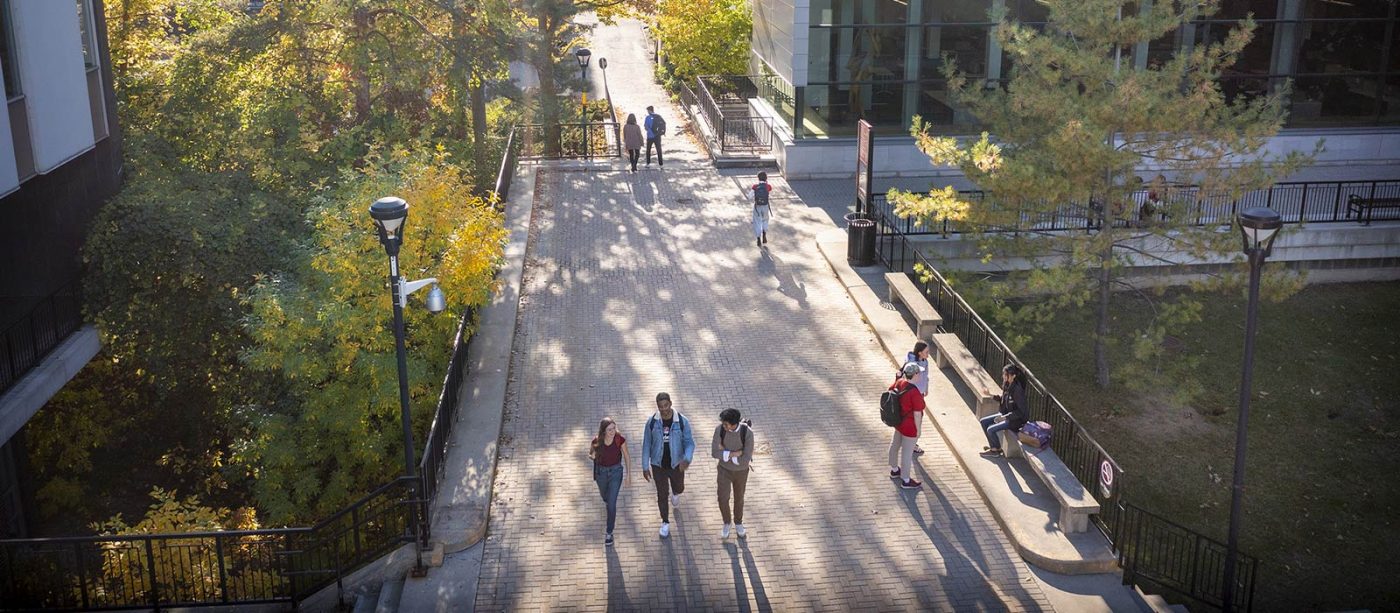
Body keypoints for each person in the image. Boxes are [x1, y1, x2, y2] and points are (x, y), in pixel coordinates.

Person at [641, 392, 694, 537]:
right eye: (660, 407)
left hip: (677, 464)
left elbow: (689, 443)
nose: (663, 409)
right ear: (657, 406)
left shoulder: (682, 422)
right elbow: (646, 444)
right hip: (658, 466)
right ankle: (665, 522)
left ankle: (676, 493)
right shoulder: (651, 422)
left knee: (679, 487)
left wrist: (687, 458)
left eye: (665, 405)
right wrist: (645, 466)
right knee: (662, 494)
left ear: (670, 403)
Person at [711, 408, 754, 539]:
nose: (723, 426)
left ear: (734, 424)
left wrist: (725, 453)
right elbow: (714, 452)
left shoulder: (747, 433)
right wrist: (735, 453)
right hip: (724, 470)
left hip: (741, 472)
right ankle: (727, 522)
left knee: (739, 498)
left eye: (726, 424)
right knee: (722, 498)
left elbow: (746, 459)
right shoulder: (720, 430)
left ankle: (738, 522)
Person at [590, 417, 631, 546]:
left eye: (614, 428)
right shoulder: (597, 440)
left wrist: (628, 475)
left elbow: (627, 457)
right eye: (609, 429)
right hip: (601, 473)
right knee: (605, 497)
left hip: (615, 472)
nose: (613, 431)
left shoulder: (620, 439)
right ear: (603, 431)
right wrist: (593, 456)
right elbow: (590, 453)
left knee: (611, 504)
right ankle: (608, 502)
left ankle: (609, 532)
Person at [888, 361, 926, 489]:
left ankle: (894, 469)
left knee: (894, 445)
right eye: (918, 373)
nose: (920, 374)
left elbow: (890, 389)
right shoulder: (914, 392)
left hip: (898, 423)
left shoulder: (900, 383)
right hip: (910, 427)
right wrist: (918, 430)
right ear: (914, 375)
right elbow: (917, 414)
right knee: (907, 453)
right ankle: (905, 480)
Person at [979, 364, 1029, 457]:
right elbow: (1004, 400)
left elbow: (1021, 412)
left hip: (1015, 421)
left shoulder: (1017, 390)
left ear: (1013, 376)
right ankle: (995, 447)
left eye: (1006, 375)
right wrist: (990, 395)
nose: (1003, 376)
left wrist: (1005, 417)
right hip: (1005, 415)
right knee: (983, 422)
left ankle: (995, 451)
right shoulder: (1007, 385)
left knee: (990, 429)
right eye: (1004, 374)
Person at [904, 341, 931, 456]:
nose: (928, 354)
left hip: (920, 394)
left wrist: (926, 388)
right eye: (926, 352)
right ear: (919, 353)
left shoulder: (925, 361)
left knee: (917, 418)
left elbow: (926, 377)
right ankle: (912, 443)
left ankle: (911, 442)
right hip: (913, 395)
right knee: (916, 418)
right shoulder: (913, 364)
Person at [750, 172, 774, 248]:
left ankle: (758, 239)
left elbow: (749, 196)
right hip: (765, 206)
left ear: (758, 178)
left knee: (757, 222)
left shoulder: (755, 187)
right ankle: (764, 233)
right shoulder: (768, 186)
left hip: (757, 206)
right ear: (766, 178)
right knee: (765, 220)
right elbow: (769, 190)